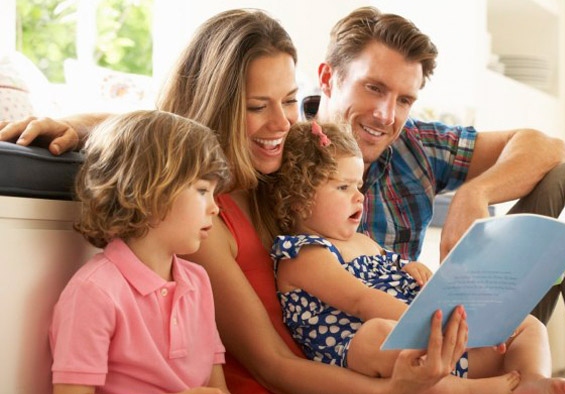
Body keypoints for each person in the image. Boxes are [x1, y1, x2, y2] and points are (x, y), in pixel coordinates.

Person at [0, 9, 469, 394]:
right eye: (256, 106)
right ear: (219, 104)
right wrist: (80, 126)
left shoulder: (279, 173)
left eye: (288, 100)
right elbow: (271, 365)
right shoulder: (198, 218)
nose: (282, 123)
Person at [300, 6, 565, 394]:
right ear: (328, 78)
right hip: (366, 357)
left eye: (404, 100)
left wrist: (475, 193)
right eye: (374, 88)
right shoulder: (283, 158)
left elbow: (551, 147)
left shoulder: (415, 145)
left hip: (453, 332)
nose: (385, 115)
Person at [269, 120, 565, 394]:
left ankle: (531, 382)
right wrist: (434, 326)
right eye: (342, 188)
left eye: (358, 185)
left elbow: (394, 268)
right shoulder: (304, 254)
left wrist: (413, 269)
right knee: (377, 334)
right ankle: (463, 390)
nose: (358, 196)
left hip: (432, 340)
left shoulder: (362, 241)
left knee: (528, 325)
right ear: (299, 200)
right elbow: (361, 301)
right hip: (379, 354)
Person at [50, 110, 231, 394]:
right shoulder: (94, 292)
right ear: (150, 191)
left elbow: (218, 387)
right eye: (201, 190)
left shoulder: (198, 282)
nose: (215, 207)